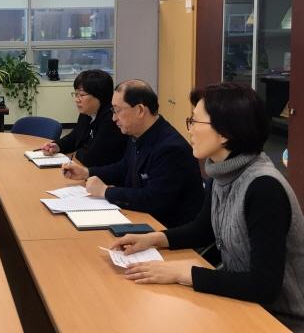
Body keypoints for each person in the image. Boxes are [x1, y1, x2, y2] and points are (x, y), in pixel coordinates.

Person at [112, 83, 304, 332]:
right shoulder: (220, 174)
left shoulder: (264, 187)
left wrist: (185, 273)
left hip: (281, 319)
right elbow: (203, 230)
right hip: (243, 303)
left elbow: (264, 285)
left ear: (224, 133)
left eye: (195, 121)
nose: (189, 130)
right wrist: (153, 239)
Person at [62, 79, 203, 228]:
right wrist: (87, 172)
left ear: (140, 110)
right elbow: (124, 168)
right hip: (143, 219)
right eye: (113, 111)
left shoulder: (171, 148)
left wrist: (106, 191)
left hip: (166, 229)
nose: (114, 118)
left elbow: (152, 199)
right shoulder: (137, 133)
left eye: (118, 110)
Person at [40, 70, 127, 167]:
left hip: (102, 173)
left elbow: (92, 157)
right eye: (76, 94)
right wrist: (57, 145)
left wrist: (73, 154)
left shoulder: (112, 120)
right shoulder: (87, 113)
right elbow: (75, 136)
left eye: (81, 95)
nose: (76, 99)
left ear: (99, 95)